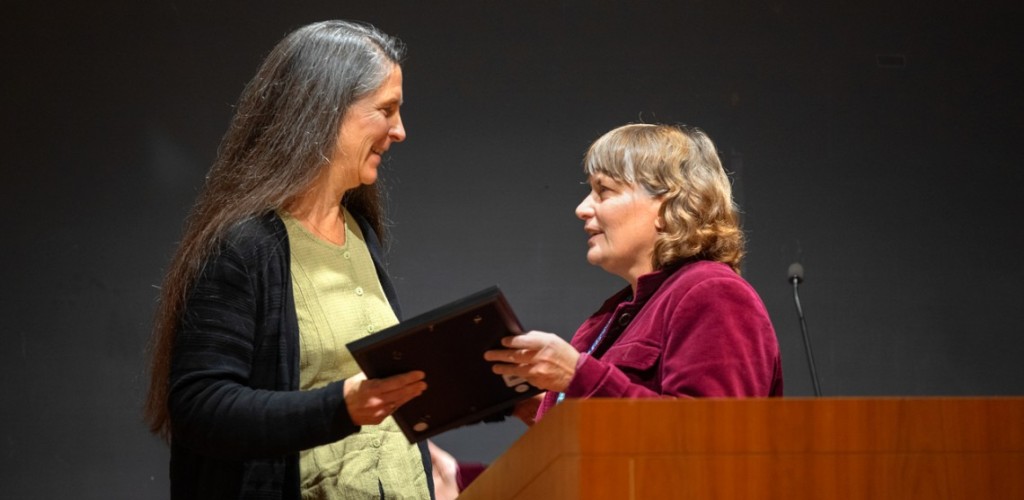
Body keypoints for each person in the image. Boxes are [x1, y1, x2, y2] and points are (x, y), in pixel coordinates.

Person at [143, 20, 437, 499]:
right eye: (386, 110)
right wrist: (340, 406)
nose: (400, 131)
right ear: (326, 112)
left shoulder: (360, 234)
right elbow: (200, 406)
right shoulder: (245, 245)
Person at [486, 123, 783, 425]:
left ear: (667, 204)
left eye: (604, 191)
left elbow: (712, 436)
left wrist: (578, 376)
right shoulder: (605, 320)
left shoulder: (714, 292)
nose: (582, 208)